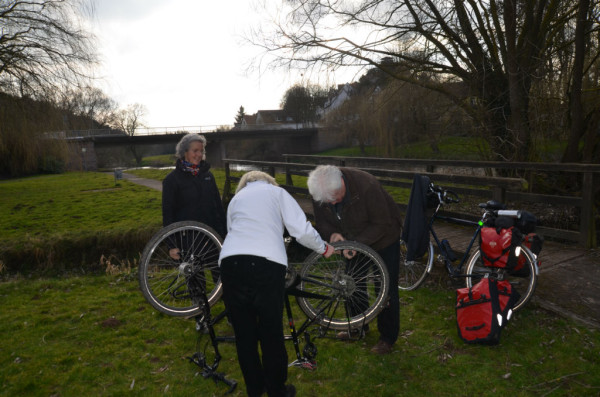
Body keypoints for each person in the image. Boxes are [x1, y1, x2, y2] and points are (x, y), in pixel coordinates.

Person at [218, 171, 334, 397]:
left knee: (245, 334)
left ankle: (255, 389)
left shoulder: (236, 199)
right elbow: (300, 229)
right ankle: (276, 390)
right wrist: (324, 248)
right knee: (271, 331)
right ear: (268, 180)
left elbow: (231, 230)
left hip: (231, 263)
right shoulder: (277, 192)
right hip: (266, 263)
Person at [306, 165, 402, 355]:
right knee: (350, 283)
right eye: (328, 201)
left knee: (385, 287)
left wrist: (355, 244)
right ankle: (358, 326)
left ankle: (387, 337)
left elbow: (382, 222)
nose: (333, 203)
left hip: (383, 238)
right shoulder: (320, 190)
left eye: (336, 197)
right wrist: (332, 234)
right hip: (351, 240)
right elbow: (322, 222)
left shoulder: (367, 185)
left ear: (342, 181)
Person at [162, 133, 226, 259]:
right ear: (184, 151)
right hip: (187, 241)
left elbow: (218, 208)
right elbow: (168, 214)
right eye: (195, 150)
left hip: (212, 237)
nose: (199, 155)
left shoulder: (208, 176)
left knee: (221, 276)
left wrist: (225, 235)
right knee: (194, 278)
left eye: (201, 151)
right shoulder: (172, 180)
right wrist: (172, 245)